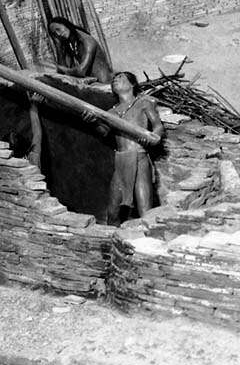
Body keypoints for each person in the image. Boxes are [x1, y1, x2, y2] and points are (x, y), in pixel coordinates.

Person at [82, 72, 164, 226]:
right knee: (112, 212)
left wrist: (153, 137)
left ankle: (147, 239)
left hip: (139, 158)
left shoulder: (143, 103)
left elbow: (158, 126)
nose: (115, 80)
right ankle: (113, 238)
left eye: (120, 78)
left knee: (145, 210)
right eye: (114, 79)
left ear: (132, 84)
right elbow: (104, 132)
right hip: (120, 161)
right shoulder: (111, 113)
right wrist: (94, 122)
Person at [47, 17, 113, 82]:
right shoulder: (70, 42)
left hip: (105, 83)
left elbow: (81, 71)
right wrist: (58, 46)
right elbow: (63, 68)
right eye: (55, 33)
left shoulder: (87, 41)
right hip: (94, 82)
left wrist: (64, 70)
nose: (58, 34)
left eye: (58, 29)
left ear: (65, 24)